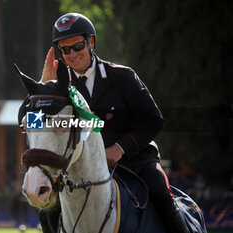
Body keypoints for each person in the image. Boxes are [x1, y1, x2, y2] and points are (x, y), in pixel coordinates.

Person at [38, 13, 188, 233]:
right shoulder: (60, 88)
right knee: (46, 212)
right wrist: (43, 92)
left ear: (91, 42)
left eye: (78, 46)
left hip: (134, 160)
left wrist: (119, 149)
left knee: (161, 193)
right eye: (65, 50)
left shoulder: (123, 77)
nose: (72, 54)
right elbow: (35, 123)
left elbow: (154, 120)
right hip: (82, 168)